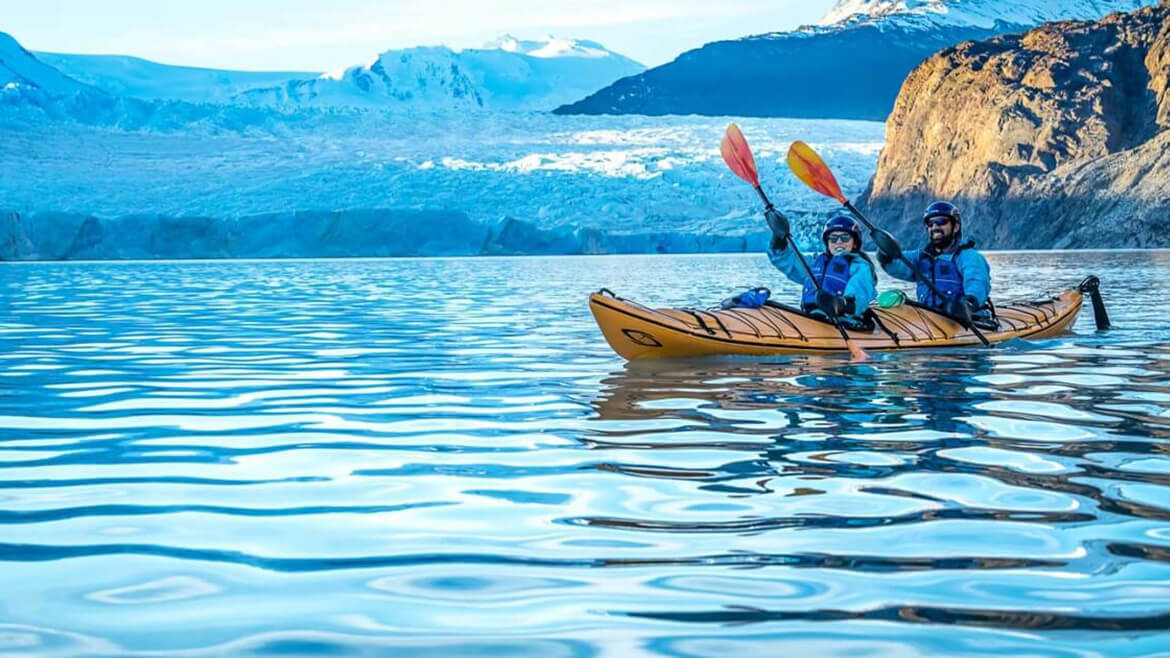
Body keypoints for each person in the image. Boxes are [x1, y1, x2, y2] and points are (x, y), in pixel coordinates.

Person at [877, 201, 993, 324]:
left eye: (941, 222)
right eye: (930, 224)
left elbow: (977, 283)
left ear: (956, 227)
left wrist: (968, 304)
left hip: (964, 320)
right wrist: (885, 254)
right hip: (930, 321)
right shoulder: (921, 257)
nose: (935, 227)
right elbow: (896, 266)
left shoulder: (969, 257)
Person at [767, 210, 877, 329]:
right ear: (828, 243)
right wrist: (779, 239)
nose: (838, 242)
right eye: (833, 239)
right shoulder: (816, 262)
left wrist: (838, 303)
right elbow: (787, 261)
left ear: (855, 243)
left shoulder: (860, 266)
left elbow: (860, 293)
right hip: (811, 317)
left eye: (845, 238)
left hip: (841, 321)